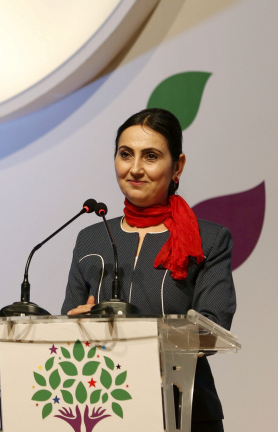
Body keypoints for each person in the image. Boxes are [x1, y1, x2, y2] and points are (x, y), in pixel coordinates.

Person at [62, 108, 236, 432]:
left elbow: (212, 326)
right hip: (101, 406)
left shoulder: (209, 239)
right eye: (125, 154)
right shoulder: (92, 238)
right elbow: (67, 322)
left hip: (184, 410)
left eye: (151, 156)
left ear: (177, 166)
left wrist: (130, 331)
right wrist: (76, 325)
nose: (135, 169)